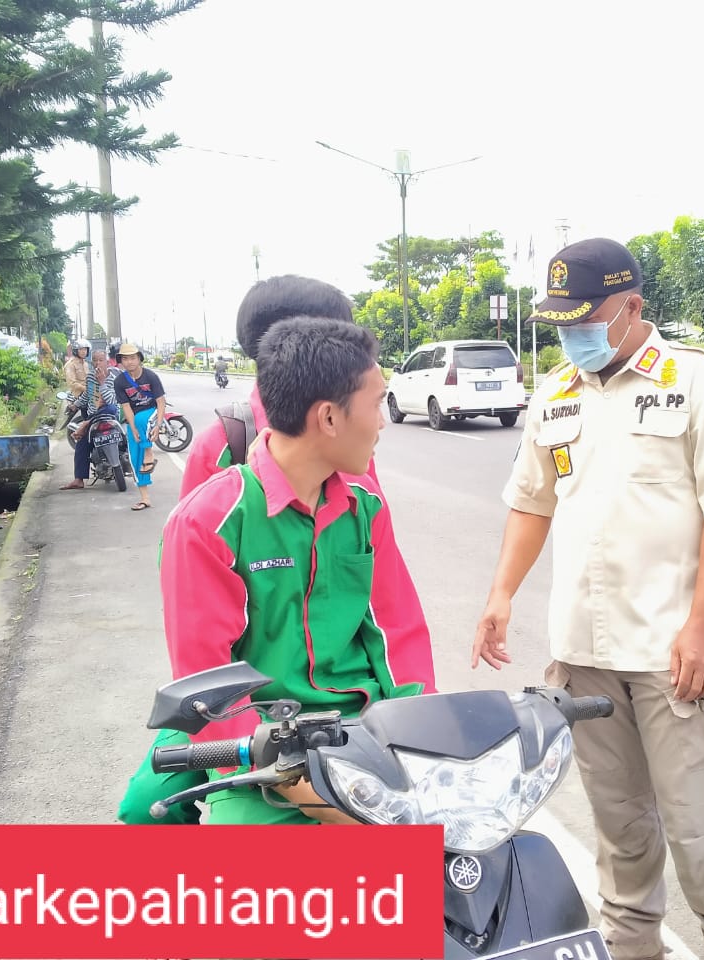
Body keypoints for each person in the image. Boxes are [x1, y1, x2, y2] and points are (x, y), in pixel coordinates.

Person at [471, 238, 704, 960]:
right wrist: (501, 594)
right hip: (582, 652)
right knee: (619, 824)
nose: (571, 334)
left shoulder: (697, 380)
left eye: (585, 318)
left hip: (671, 649)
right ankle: (634, 947)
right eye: (560, 321)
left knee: (699, 826)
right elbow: (531, 504)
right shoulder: (555, 393)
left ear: (633, 307)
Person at [115, 275, 433, 826]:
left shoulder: (360, 498)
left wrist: (420, 738)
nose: (383, 422)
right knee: (148, 812)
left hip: (355, 725)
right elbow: (205, 670)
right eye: (376, 404)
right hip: (258, 730)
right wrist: (319, 799)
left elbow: (397, 630)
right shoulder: (212, 512)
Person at [179, 275, 361, 496]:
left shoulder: (355, 435)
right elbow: (193, 526)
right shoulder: (218, 446)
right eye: (338, 342)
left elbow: (374, 524)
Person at [112, 343, 165, 512]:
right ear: (120, 361)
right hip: (135, 420)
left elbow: (161, 402)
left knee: (142, 420)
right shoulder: (120, 381)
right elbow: (126, 407)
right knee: (135, 458)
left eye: (133, 358)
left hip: (153, 412)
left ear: (139, 359)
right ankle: (145, 498)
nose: (129, 362)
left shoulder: (150, 376)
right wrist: (132, 429)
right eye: (125, 359)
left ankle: (149, 451)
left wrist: (158, 424)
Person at [59, 349, 119, 491]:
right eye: (95, 360)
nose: (98, 363)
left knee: (110, 408)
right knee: (81, 445)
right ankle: (79, 479)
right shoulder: (91, 376)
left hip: (110, 416)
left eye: (101, 360)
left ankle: (85, 423)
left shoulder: (114, 377)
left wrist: (103, 382)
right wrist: (75, 405)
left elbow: (111, 400)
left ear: (107, 361)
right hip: (95, 417)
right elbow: (88, 395)